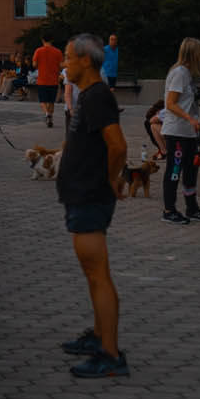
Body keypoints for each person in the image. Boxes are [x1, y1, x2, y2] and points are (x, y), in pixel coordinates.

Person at [55, 32, 129, 378]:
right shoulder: (88, 96)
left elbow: (117, 145)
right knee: (92, 273)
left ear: (85, 60)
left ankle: (110, 354)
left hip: (90, 195)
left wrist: (112, 179)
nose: (64, 63)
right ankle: (99, 336)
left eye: (68, 57)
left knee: (99, 274)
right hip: (81, 193)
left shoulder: (97, 96)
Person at [160, 38, 200, 224]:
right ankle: (169, 209)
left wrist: (195, 122)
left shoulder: (188, 74)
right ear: (194, 54)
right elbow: (171, 104)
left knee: (191, 171)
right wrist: (190, 119)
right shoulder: (180, 73)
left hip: (190, 132)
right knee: (174, 170)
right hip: (177, 132)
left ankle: (192, 207)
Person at [32, 33, 63, 129]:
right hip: (53, 80)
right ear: (52, 40)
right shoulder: (58, 52)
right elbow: (61, 65)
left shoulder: (38, 51)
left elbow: (34, 64)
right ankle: (50, 116)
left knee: (42, 100)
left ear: (42, 40)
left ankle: (46, 114)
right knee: (51, 101)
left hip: (42, 80)